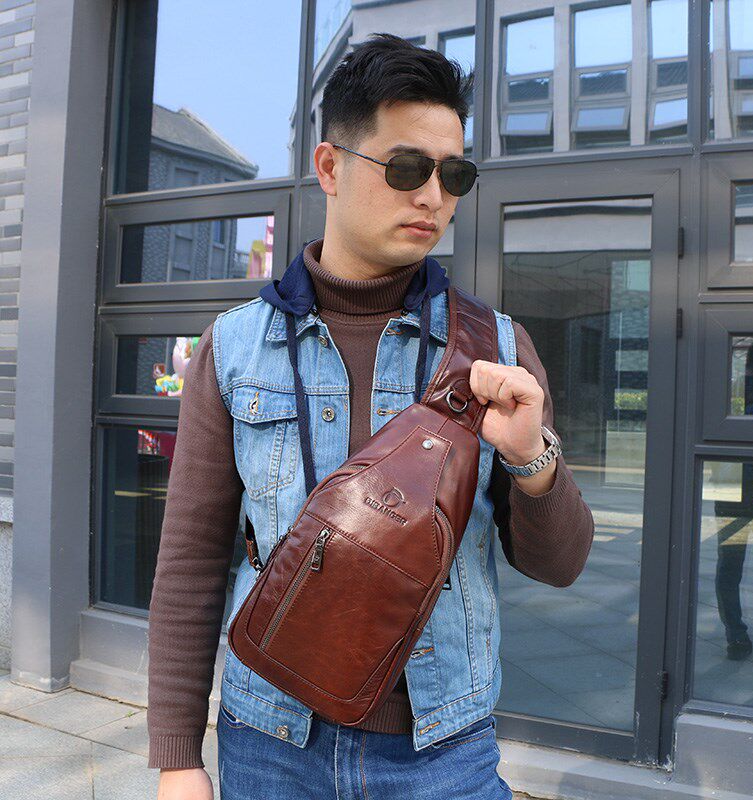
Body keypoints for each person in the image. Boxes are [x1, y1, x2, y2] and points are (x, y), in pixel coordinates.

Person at [147, 32, 594, 800]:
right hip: (269, 742)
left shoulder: (495, 348)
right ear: (330, 167)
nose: (433, 197)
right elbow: (190, 561)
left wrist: (533, 460)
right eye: (407, 168)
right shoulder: (236, 347)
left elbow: (562, 563)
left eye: (454, 174)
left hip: (442, 753)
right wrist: (178, 757)